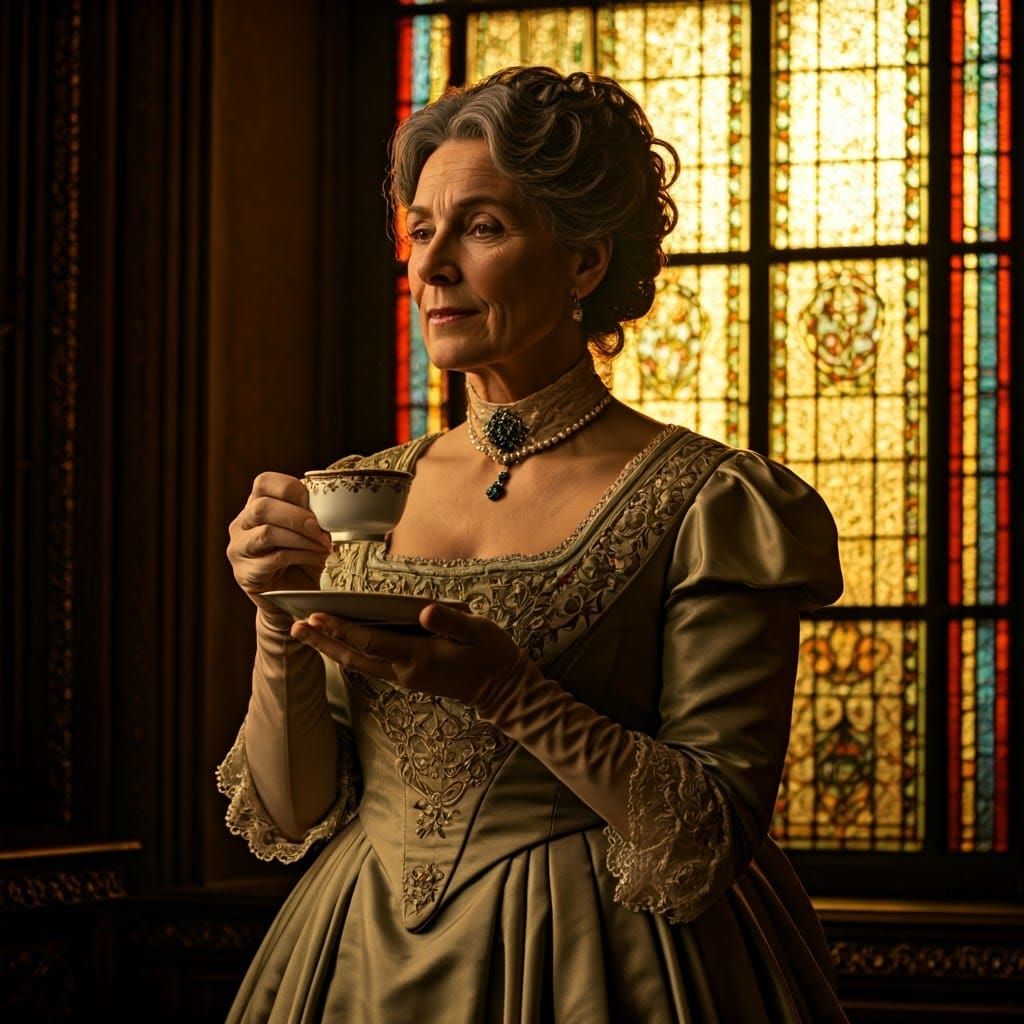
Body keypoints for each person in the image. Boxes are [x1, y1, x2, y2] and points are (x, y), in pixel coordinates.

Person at [218, 65, 848, 1023]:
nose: (431, 267)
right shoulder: (355, 494)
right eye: (420, 230)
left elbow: (708, 835)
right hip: (355, 957)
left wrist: (507, 692)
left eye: (481, 228)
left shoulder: (712, 499)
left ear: (586, 262)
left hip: (603, 963)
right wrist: (277, 621)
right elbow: (298, 810)